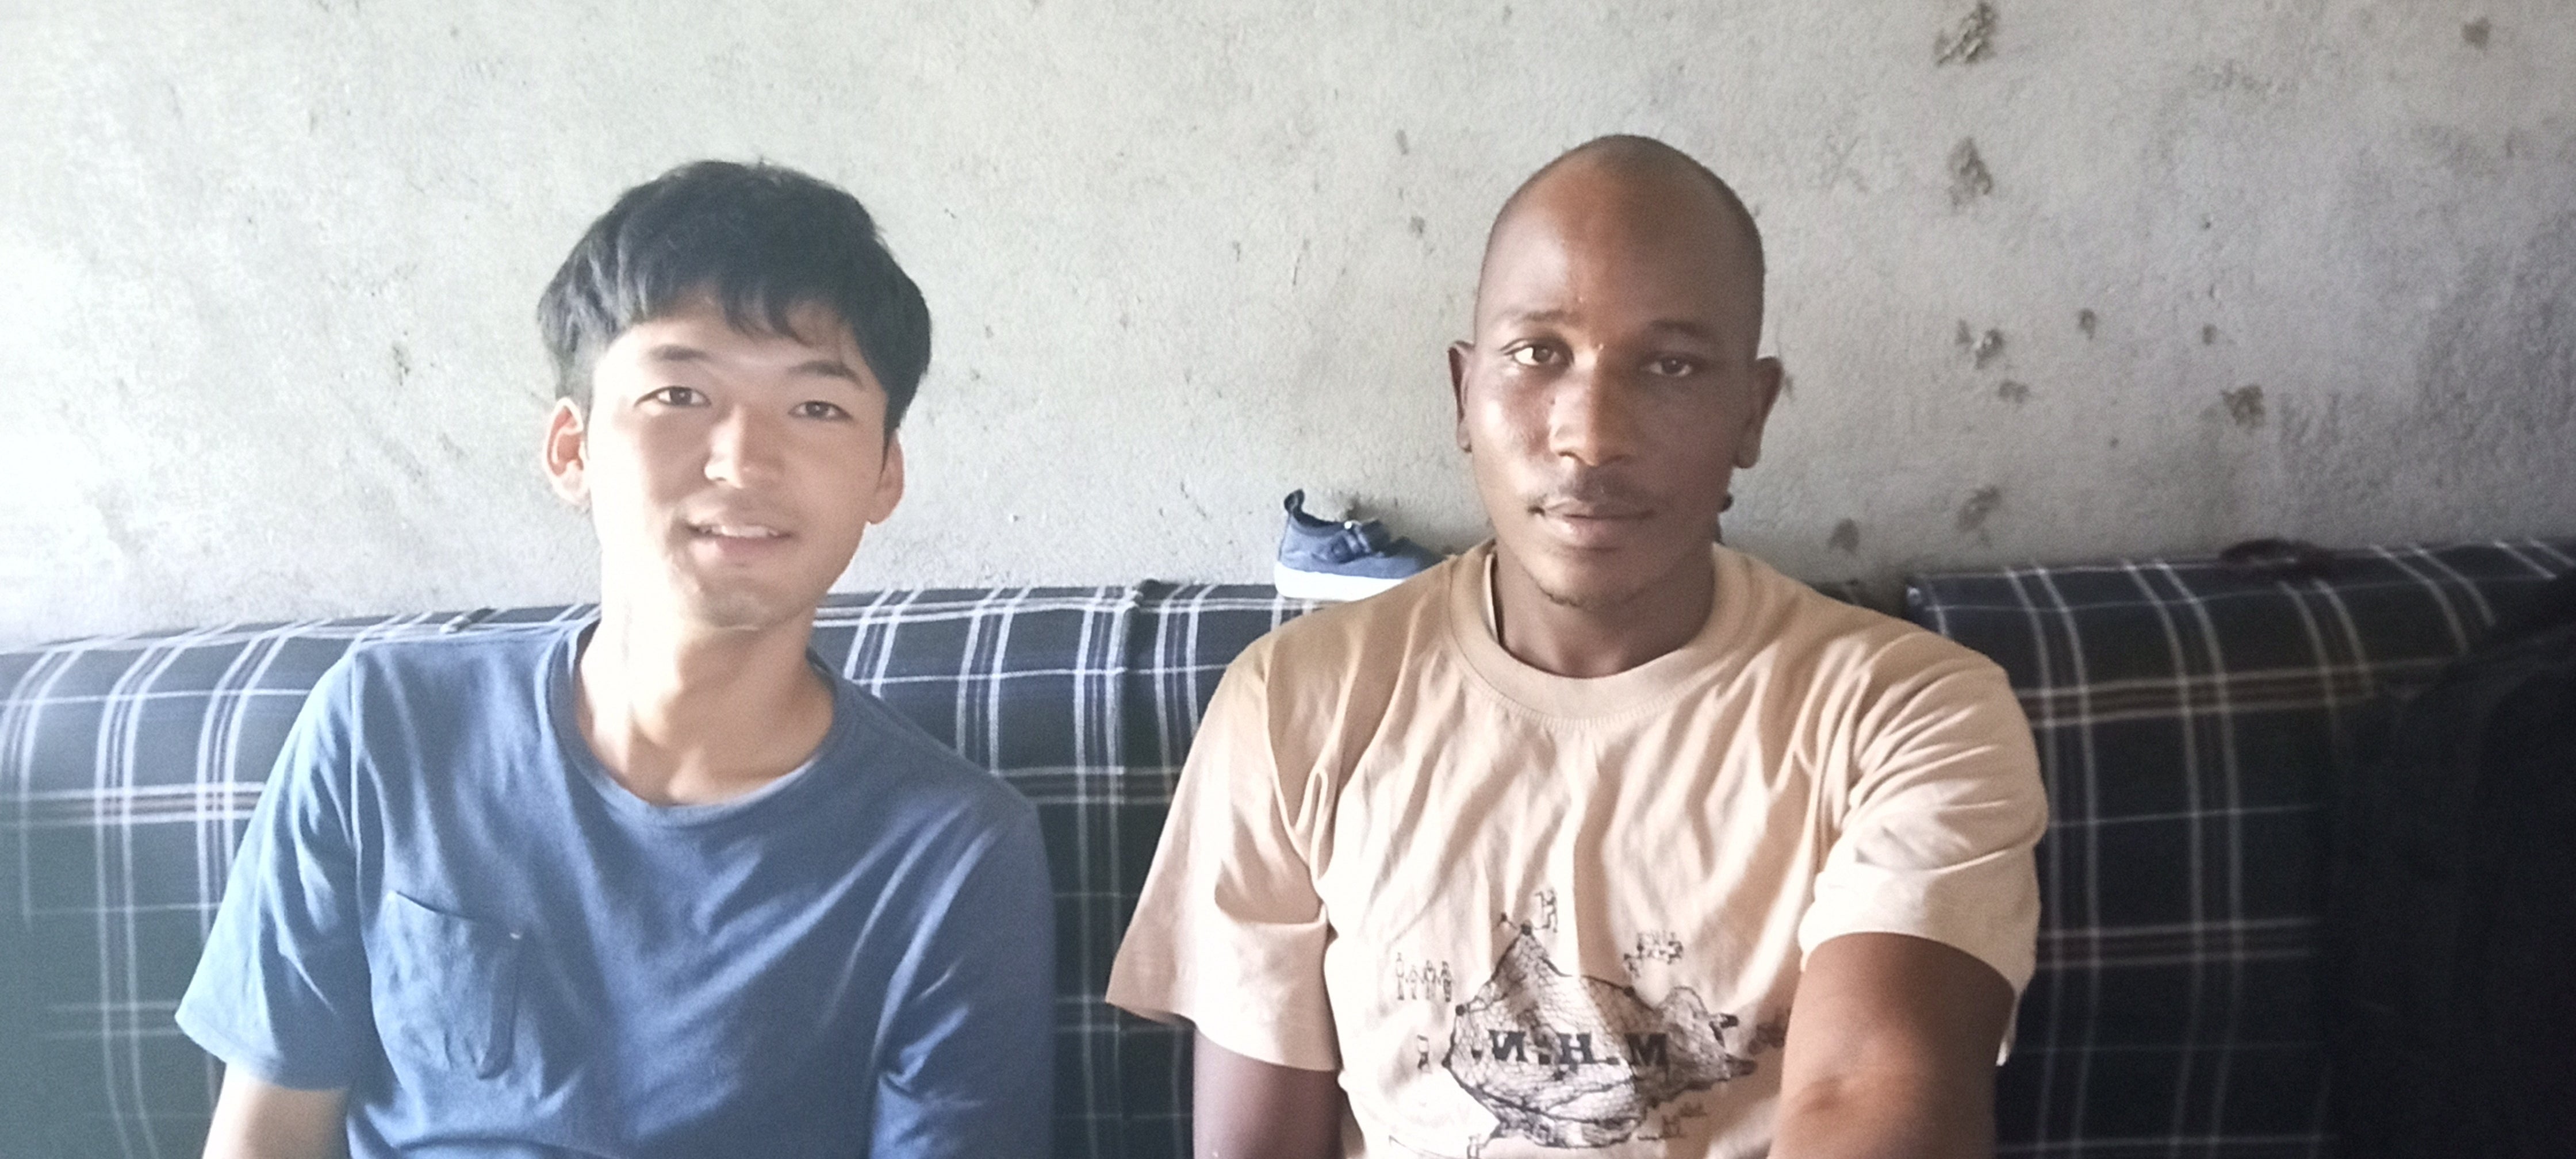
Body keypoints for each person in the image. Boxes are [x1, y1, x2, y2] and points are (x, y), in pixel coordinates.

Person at [1106, 135, 2046, 1158]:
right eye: (1538, 353)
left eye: (1671, 366)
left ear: (1752, 411)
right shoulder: (1293, 706)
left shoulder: (1910, 713)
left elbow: (1875, 1098)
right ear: (1464, 395)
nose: (1591, 437)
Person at [177, 161, 1054, 1158]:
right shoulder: (386, 726)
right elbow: (267, 1135)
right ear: (573, 450)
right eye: (680, 393)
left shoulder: (953, 852)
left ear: (884, 475)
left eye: (817, 408)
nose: (744, 460)